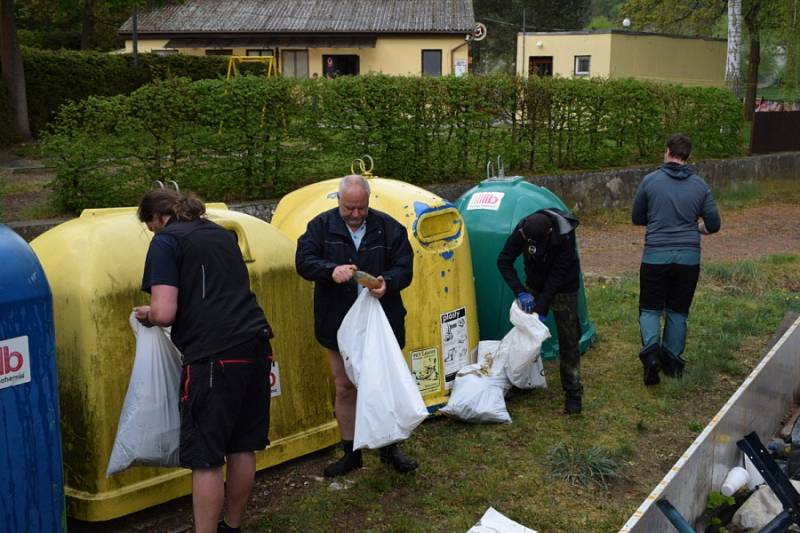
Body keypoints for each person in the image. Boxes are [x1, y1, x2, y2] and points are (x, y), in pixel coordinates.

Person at [134, 189, 273, 533]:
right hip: (255, 346)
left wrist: (148, 315)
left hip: (214, 357)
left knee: (206, 456)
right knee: (242, 444)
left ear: (157, 218)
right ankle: (231, 525)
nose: (155, 233)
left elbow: (165, 312)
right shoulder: (220, 233)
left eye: (152, 228)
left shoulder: (166, 242)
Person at [295, 174, 417, 477]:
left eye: (361, 208)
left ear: (368, 202)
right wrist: (329, 270)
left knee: (383, 385)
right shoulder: (320, 227)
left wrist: (387, 283)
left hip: (382, 320)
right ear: (338, 201)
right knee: (345, 386)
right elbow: (303, 260)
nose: (355, 214)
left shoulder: (388, 227)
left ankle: (390, 448)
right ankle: (350, 452)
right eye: (349, 208)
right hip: (337, 320)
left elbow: (405, 265)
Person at [632, 133, 721, 385]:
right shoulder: (700, 186)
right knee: (678, 310)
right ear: (687, 156)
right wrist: (698, 229)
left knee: (650, 308)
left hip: (655, 256)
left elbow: (637, 217)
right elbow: (713, 224)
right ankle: (672, 362)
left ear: (668, 151)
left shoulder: (650, 181)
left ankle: (651, 357)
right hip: (688, 259)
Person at [497, 208, 584, 415]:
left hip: (564, 285)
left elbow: (558, 274)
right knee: (524, 334)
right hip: (534, 282)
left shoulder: (565, 233)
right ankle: (519, 380)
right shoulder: (522, 230)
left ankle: (573, 392)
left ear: (549, 233)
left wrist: (541, 306)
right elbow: (503, 260)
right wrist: (520, 292)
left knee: (569, 339)